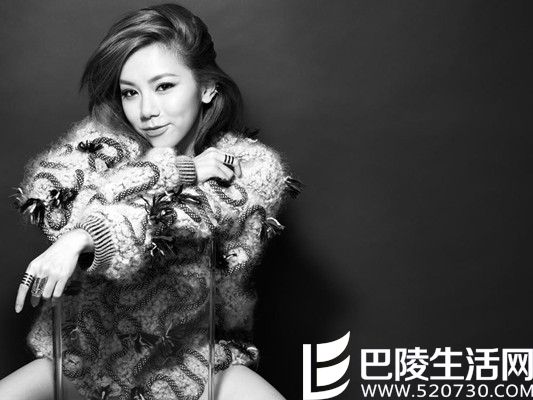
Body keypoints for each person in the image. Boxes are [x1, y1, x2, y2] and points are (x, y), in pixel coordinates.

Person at [1, 3, 301, 400]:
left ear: (207, 87)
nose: (146, 111)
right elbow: (55, 207)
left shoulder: (247, 165)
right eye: (130, 92)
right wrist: (178, 170)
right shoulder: (99, 145)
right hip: (87, 359)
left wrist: (85, 236)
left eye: (164, 87)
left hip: (191, 363)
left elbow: (178, 217)